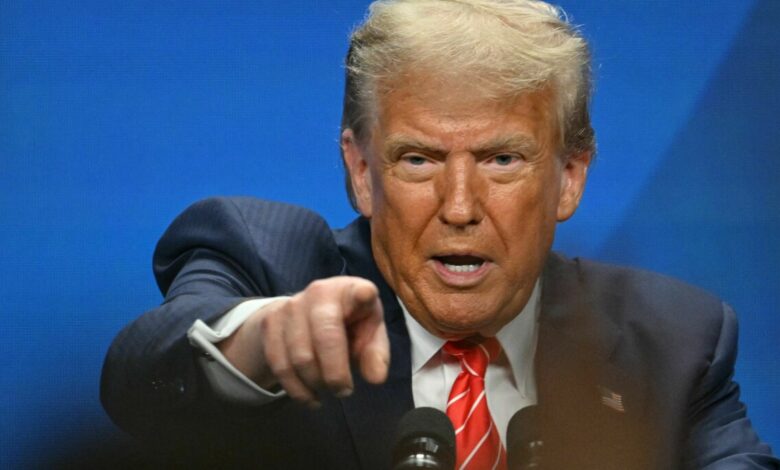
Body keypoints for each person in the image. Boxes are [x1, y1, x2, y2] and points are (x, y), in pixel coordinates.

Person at [101, 0, 778, 468]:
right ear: (362, 172)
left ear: (570, 176)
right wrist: (260, 341)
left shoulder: (670, 340)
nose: (459, 208)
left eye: (501, 159)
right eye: (419, 159)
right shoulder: (272, 262)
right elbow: (135, 379)